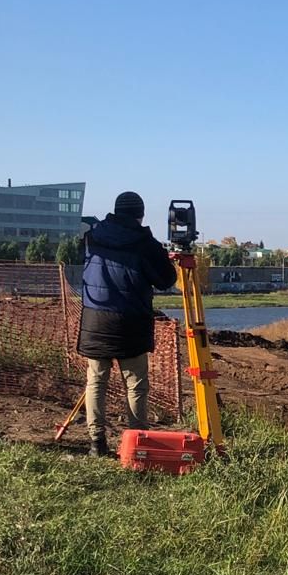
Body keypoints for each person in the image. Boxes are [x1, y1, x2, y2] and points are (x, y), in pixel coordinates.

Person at [77, 191, 178, 456]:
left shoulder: (92, 237)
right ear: (140, 215)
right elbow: (167, 280)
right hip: (130, 320)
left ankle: (96, 443)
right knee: (135, 384)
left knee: (96, 381)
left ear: (115, 211)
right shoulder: (145, 243)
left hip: (95, 318)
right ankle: (137, 444)